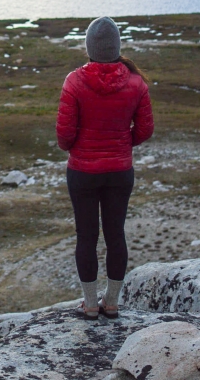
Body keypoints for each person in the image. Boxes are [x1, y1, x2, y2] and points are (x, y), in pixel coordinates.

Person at [56, 16, 154, 320]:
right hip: (120, 171)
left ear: (89, 48)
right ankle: (111, 303)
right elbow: (145, 130)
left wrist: (81, 148)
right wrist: (123, 145)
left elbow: (64, 138)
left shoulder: (74, 81)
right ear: (116, 47)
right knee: (115, 235)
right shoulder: (136, 83)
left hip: (83, 173)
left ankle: (89, 305)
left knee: (86, 236)